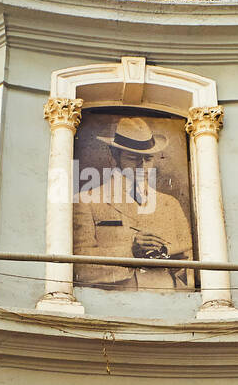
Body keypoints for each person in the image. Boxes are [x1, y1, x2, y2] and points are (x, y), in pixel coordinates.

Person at [73, 116, 193, 290]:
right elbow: (79, 267)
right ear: (115, 155)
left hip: (166, 300)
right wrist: (131, 252)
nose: (141, 166)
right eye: (132, 158)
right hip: (113, 302)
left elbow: (190, 263)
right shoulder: (86, 201)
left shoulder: (170, 204)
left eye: (148, 159)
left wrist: (169, 257)